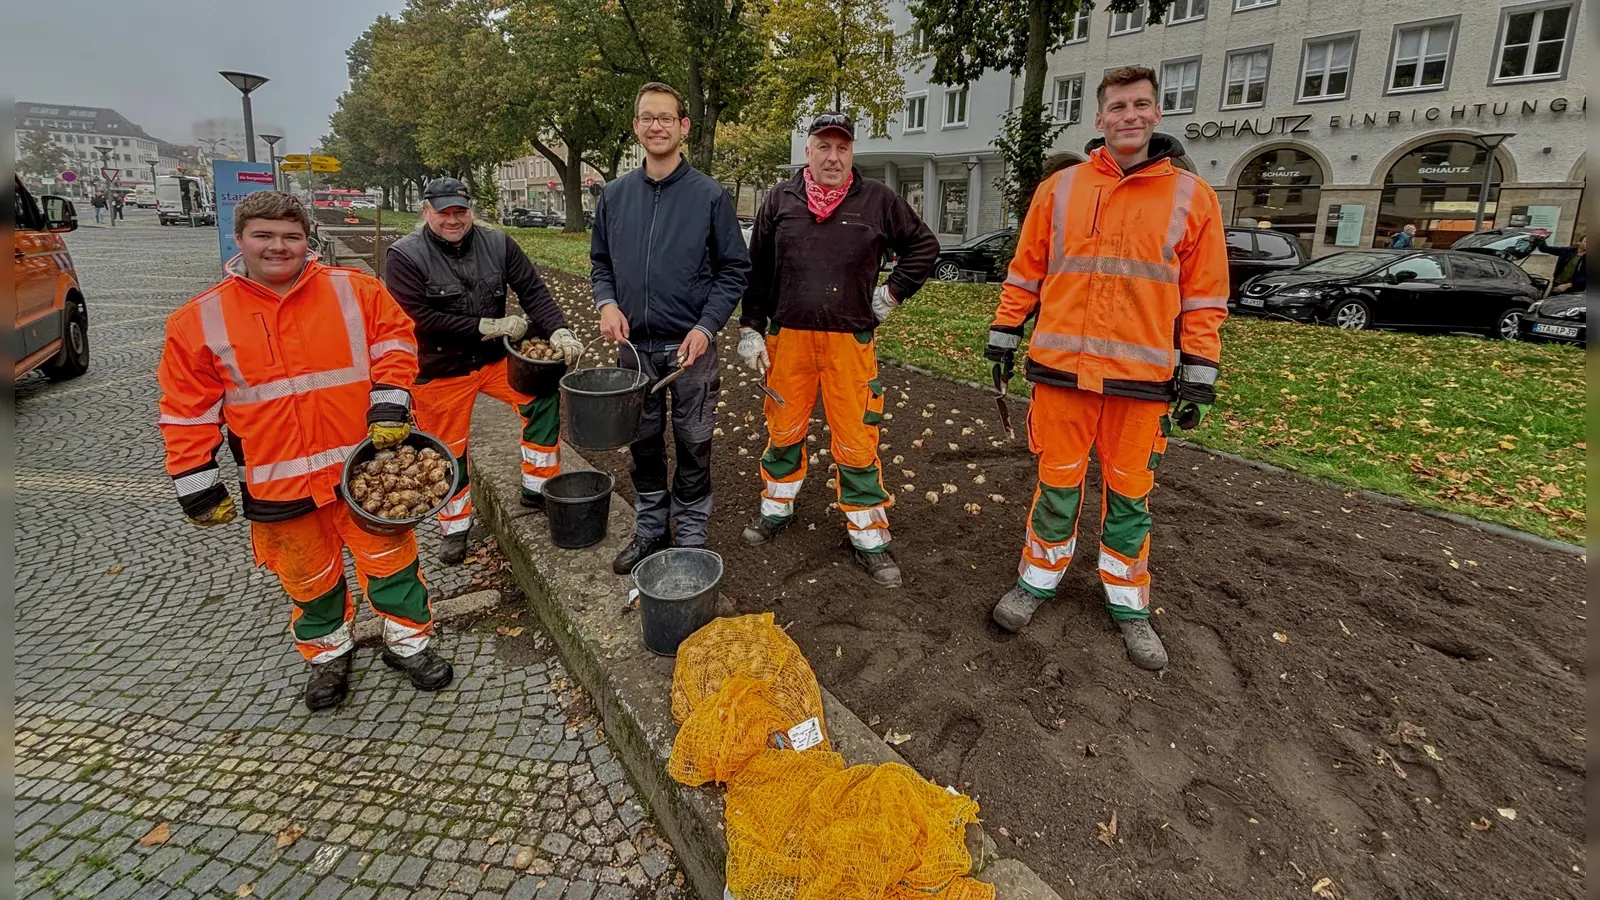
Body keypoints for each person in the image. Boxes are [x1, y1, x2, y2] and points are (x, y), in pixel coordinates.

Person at [157, 191, 453, 712]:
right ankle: (327, 657)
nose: (279, 247)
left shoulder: (355, 291)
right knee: (307, 577)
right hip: (278, 481)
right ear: (239, 239)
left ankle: (408, 644)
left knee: (392, 564)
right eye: (264, 236)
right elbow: (187, 410)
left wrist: (388, 406)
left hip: (363, 472)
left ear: (307, 239)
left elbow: (396, 344)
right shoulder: (197, 320)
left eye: (291, 236)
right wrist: (197, 482)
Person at [984, 66, 1229, 670]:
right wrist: (1004, 333)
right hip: (1063, 372)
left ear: (1156, 114)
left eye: (1140, 104)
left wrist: (1200, 370)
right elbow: (1026, 269)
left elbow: (1205, 295)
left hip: (1141, 382)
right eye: (1118, 106)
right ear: (1100, 118)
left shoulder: (1193, 198)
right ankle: (1037, 581)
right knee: (1057, 486)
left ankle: (1128, 604)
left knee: (1130, 496)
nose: (1129, 115)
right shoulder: (1061, 188)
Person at [736, 112, 940, 588]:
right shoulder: (779, 201)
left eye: (841, 148)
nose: (833, 157)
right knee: (783, 426)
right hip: (788, 340)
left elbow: (923, 247)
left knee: (856, 436)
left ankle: (868, 535)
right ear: (807, 151)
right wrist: (750, 327)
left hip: (850, 342)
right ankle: (776, 508)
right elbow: (757, 269)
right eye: (823, 147)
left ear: (851, 153)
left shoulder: (877, 200)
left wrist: (891, 294)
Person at [591, 82, 751, 574]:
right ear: (636, 126)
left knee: (694, 442)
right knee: (641, 444)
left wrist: (706, 327)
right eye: (647, 117)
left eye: (666, 118)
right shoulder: (614, 197)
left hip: (691, 350)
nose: (656, 125)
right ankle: (651, 529)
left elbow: (733, 271)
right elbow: (601, 263)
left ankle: (692, 532)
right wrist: (607, 302)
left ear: (683, 127)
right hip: (634, 349)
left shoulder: (709, 196)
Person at [386, 177, 584, 564]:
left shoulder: (497, 243)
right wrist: (483, 325)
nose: (453, 219)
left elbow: (533, 291)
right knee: (445, 450)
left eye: (460, 211)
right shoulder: (405, 256)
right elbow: (416, 317)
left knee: (541, 397)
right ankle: (455, 526)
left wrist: (559, 329)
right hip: (440, 367)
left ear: (471, 211)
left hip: (494, 361)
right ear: (427, 212)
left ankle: (537, 486)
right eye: (444, 212)